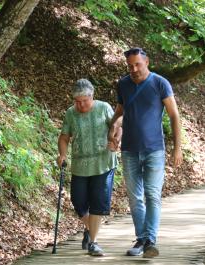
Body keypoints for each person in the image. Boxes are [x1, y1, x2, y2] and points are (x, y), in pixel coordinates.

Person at [108, 47, 183, 258]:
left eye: (137, 64)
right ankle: (141, 239)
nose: (134, 69)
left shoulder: (160, 83)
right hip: (129, 149)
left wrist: (177, 148)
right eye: (130, 65)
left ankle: (150, 239)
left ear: (146, 62)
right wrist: (112, 132)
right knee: (135, 198)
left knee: (152, 194)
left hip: (154, 149)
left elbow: (174, 116)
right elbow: (120, 114)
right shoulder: (123, 84)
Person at [57, 79, 119, 256]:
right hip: (80, 165)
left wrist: (116, 140)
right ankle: (90, 228)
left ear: (92, 96)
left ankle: (94, 242)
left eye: (84, 100)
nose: (81, 104)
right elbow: (64, 137)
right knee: (78, 202)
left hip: (103, 163)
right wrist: (62, 154)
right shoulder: (71, 113)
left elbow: (117, 126)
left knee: (98, 202)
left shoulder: (103, 107)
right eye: (77, 101)